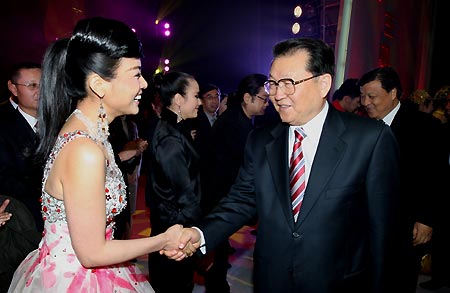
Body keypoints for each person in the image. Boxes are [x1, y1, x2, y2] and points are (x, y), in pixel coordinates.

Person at [169, 38, 402, 293]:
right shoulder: (261, 141)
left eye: (289, 84)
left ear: (323, 83)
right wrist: (201, 234)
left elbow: (383, 233)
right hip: (272, 279)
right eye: (273, 84)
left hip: (339, 282)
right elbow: (242, 199)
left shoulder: (370, 139)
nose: (278, 95)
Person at [7, 17, 185, 292]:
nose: (144, 85)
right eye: (136, 74)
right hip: (76, 280)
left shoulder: (91, 133)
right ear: (100, 85)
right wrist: (164, 239)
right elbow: (92, 254)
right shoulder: (85, 149)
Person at [358, 66, 446, 292]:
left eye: (372, 96)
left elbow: (435, 176)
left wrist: (426, 219)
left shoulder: (425, 126)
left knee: (398, 279)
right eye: (362, 95)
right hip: (365, 223)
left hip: (405, 224)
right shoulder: (361, 125)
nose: (365, 102)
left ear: (394, 93)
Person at [146, 71, 202, 293]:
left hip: (172, 225)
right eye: (196, 96)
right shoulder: (170, 138)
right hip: (174, 231)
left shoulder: (176, 129)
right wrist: (200, 232)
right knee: (175, 286)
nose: (199, 102)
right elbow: (185, 195)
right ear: (179, 99)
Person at [0, 62, 43, 232]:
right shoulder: (4, 127)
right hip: (22, 222)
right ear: (13, 88)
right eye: (32, 85)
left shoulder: (58, 121)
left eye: (43, 85)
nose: (40, 91)